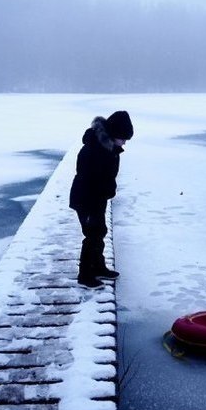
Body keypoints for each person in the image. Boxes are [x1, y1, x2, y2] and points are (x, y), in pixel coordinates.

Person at [69, 110, 134, 288]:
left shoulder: (109, 148)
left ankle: (98, 267)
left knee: (100, 232)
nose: (125, 142)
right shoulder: (94, 149)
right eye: (123, 137)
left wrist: (106, 191)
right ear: (114, 133)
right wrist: (96, 199)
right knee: (92, 234)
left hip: (98, 198)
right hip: (86, 199)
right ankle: (85, 275)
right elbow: (87, 178)